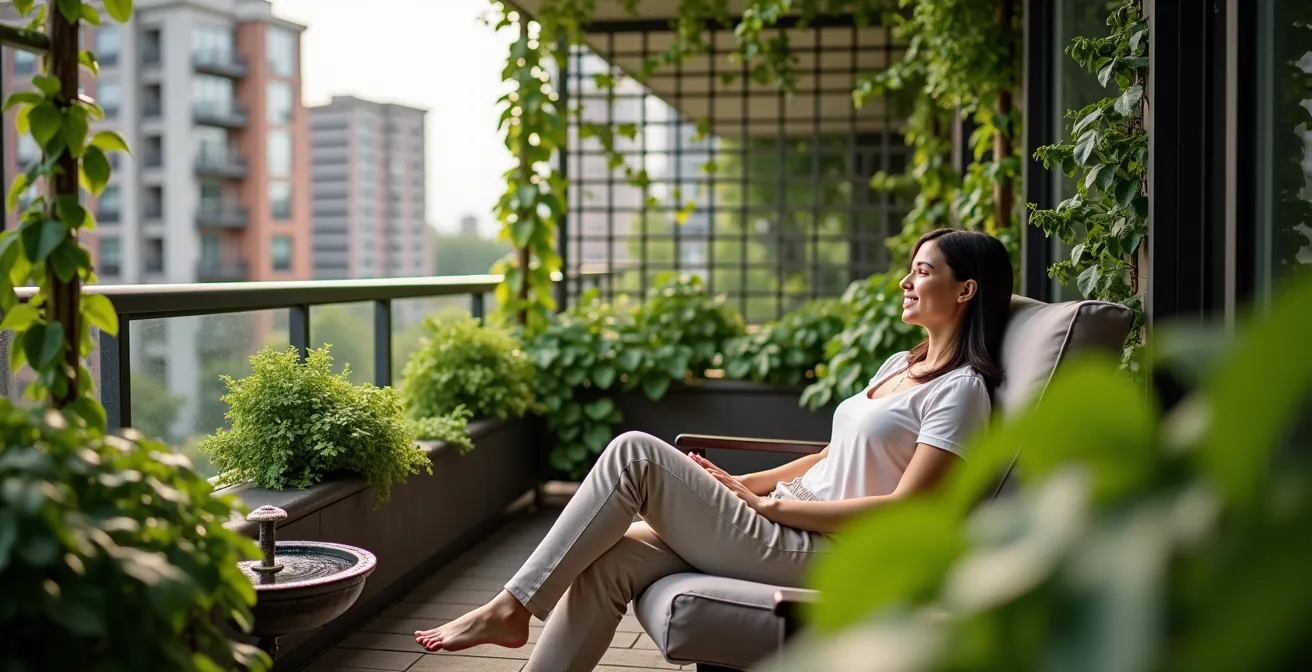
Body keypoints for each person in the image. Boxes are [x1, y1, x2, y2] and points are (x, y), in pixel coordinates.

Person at [414, 228, 1014, 670]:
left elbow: (909, 509)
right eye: (909, 269)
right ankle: (520, 627)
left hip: (824, 552)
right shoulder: (899, 366)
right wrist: (749, 486)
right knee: (611, 561)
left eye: (924, 272)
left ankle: (510, 606)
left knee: (634, 455)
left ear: (966, 290)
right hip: (787, 519)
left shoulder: (961, 393)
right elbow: (827, 457)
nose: (906, 282)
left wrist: (774, 511)